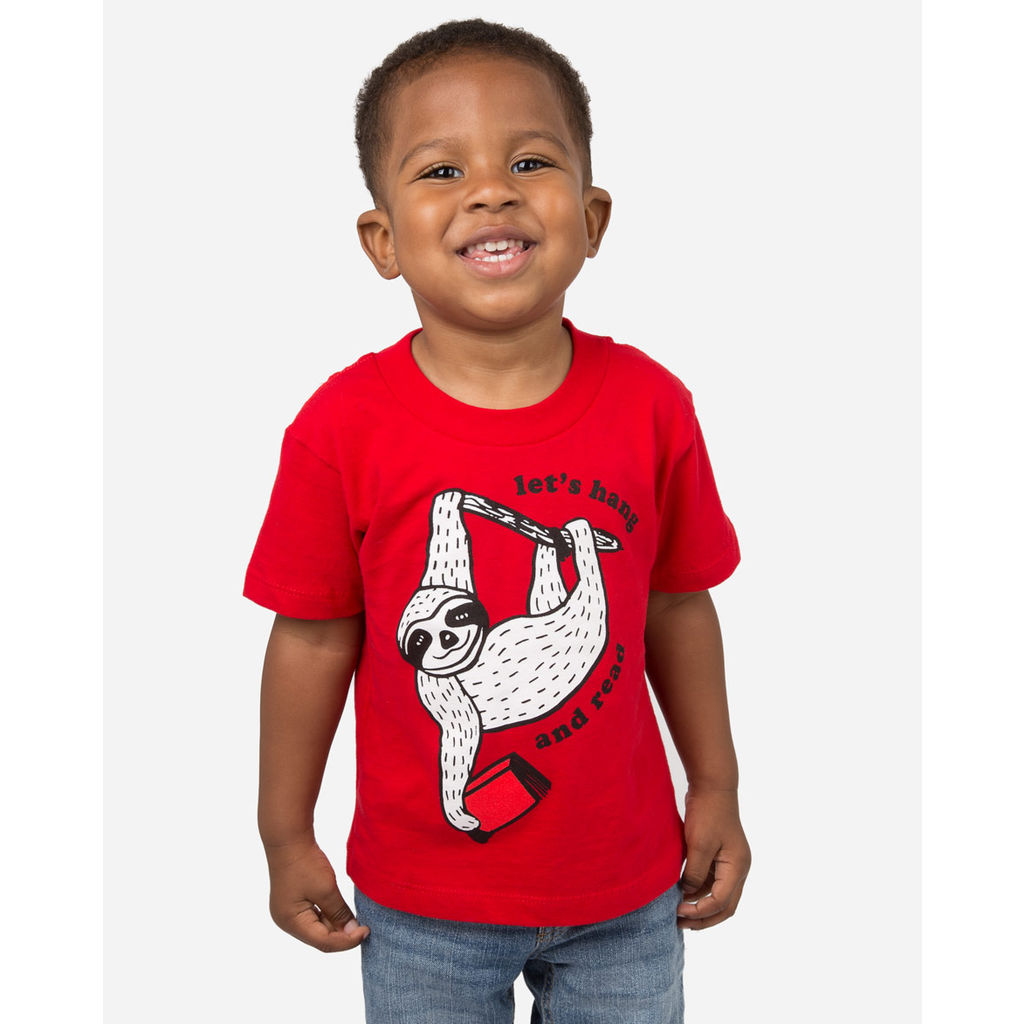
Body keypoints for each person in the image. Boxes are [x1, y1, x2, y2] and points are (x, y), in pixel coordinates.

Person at [245, 18, 751, 1023]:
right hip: (424, 905)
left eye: (529, 161)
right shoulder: (341, 429)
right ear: (383, 240)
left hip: (627, 888)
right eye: (442, 171)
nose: (490, 191)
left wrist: (718, 785)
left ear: (592, 218)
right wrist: (283, 832)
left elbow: (675, 606)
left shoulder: (652, 406)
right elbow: (310, 639)